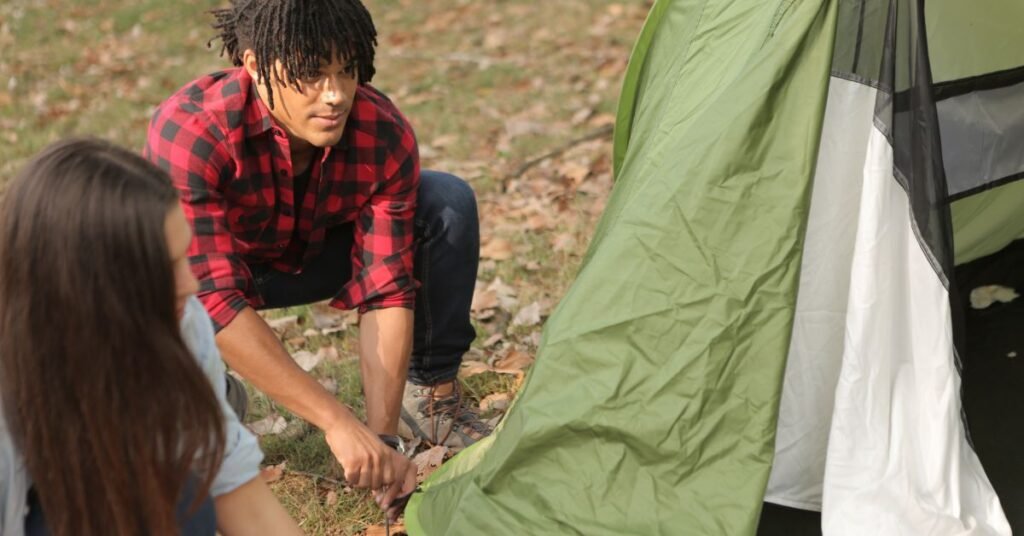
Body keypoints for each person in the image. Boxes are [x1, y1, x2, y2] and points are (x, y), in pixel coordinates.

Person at [143, 0, 491, 489]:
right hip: (200, 281)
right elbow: (211, 298)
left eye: (346, 72)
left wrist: (381, 442)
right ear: (253, 65)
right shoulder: (192, 130)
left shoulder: (380, 129)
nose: (334, 96)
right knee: (175, 421)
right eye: (310, 75)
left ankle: (432, 401)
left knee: (443, 202)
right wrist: (337, 422)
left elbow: (386, 289)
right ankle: (209, 391)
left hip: (311, 256)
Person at [0, 138, 322, 535]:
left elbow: (234, 488)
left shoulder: (180, 319)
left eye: (184, 257)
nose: (191, 283)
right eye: (163, 268)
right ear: (87, 286)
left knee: (180, 491)